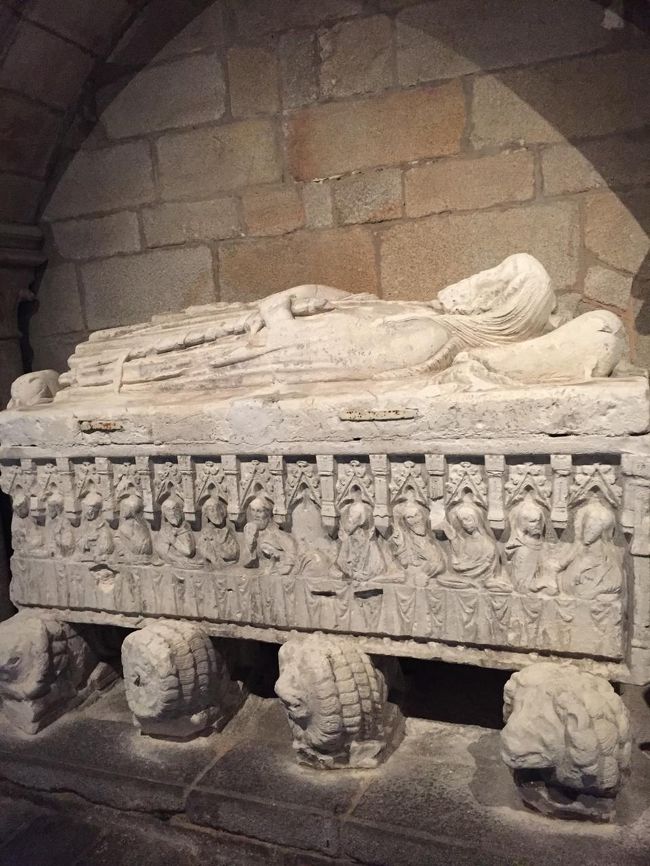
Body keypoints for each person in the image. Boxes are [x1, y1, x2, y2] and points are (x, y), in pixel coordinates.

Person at [57, 254, 627, 395]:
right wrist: (315, 291)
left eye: (492, 279)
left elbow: (310, 356)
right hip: (249, 332)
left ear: (496, 307)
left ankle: (91, 377)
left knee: (122, 367)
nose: (474, 277)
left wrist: (279, 310)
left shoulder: (433, 336)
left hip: (236, 355)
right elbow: (359, 308)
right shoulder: (430, 315)